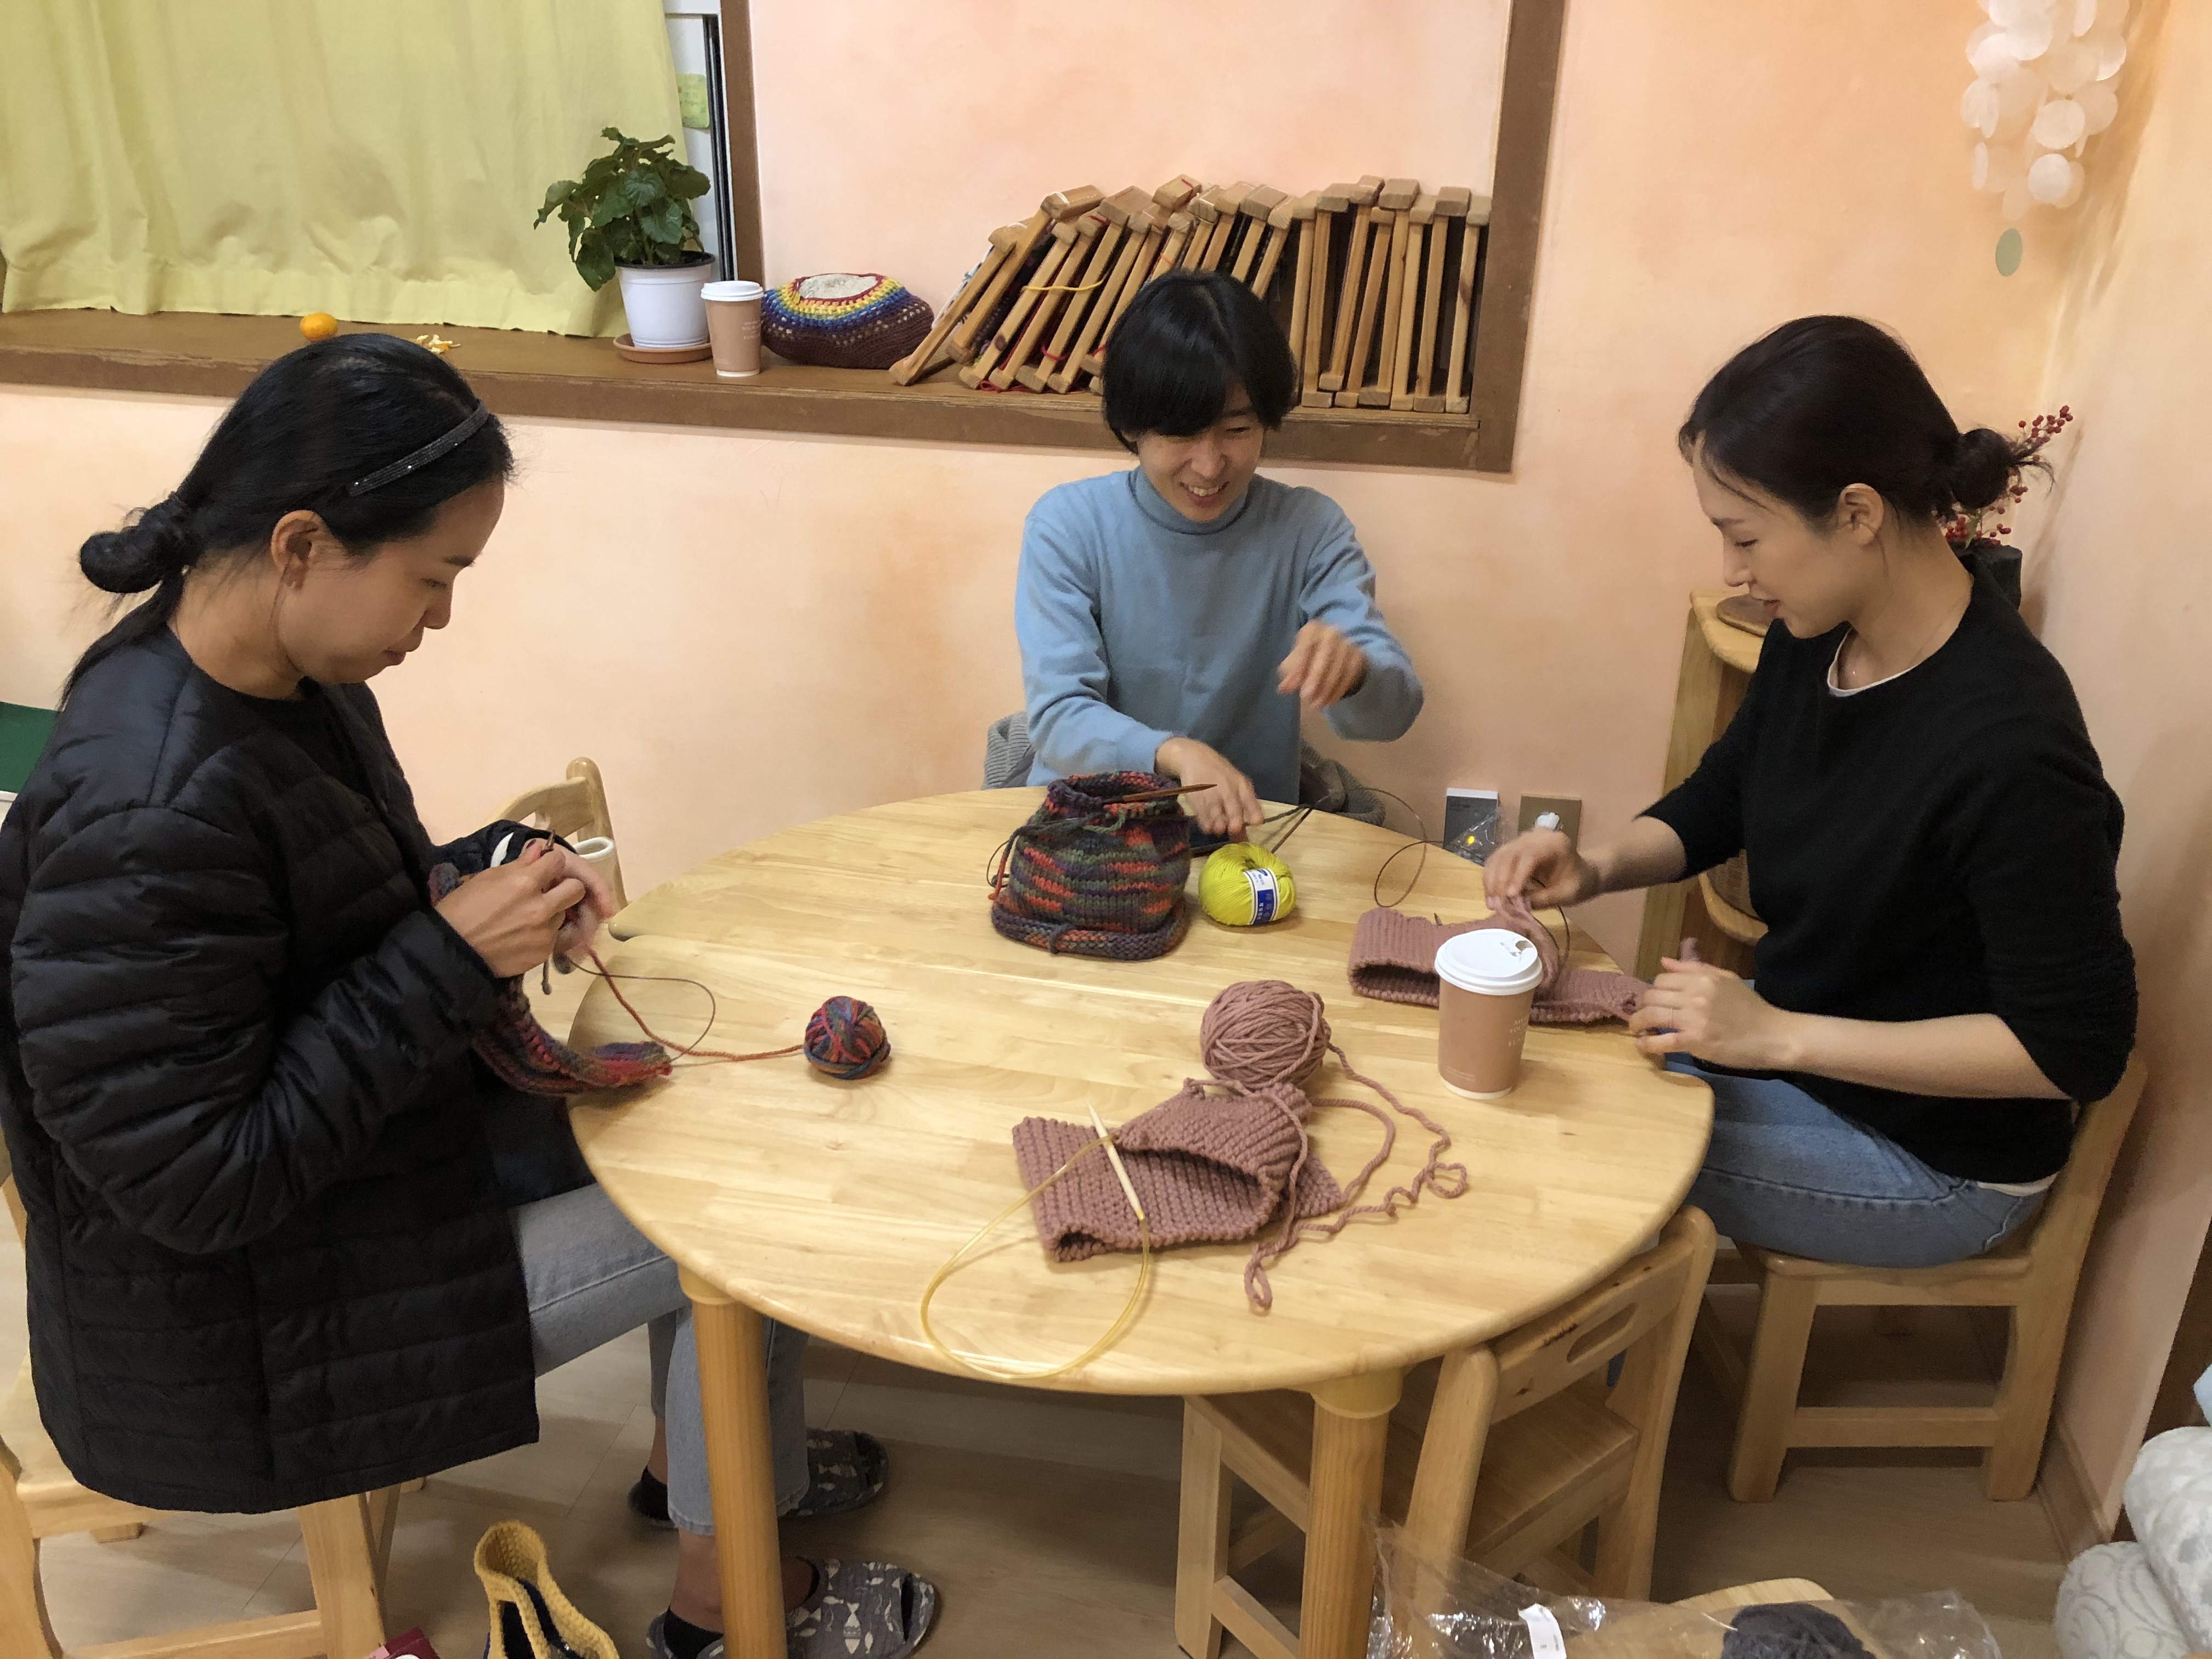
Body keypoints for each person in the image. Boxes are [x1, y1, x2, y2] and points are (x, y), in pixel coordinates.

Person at [0, 336, 934, 1659]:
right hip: (250, 1328)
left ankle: (707, 1471)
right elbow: (200, 1189)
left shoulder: (277, 678)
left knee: (717, 1127)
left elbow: (323, 920)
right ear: (303, 545)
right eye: (434, 577)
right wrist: (444, 957)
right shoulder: (146, 809)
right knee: (743, 1220)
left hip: (374, 1188)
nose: (438, 620)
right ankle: (727, 1606)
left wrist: (491, 875)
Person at [1484, 315, 2136, 1270]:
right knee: (1540, 1063)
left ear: (1858, 513)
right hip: (1807, 1058)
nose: (1731, 571)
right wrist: (1596, 865)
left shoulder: (2010, 744)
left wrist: (1779, 1036)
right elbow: (1725, 795)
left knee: (1583, 1145)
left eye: (1744, 536)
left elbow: (2074, 1050)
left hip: (1937, 1159)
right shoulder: (1817, 634)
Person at [1014, 270, 1423, 842]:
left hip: (1245, 838)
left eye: (1237, 429)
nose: (1209, 467)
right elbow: (1058, 716)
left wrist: (1356, 674)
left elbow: (1393, 715)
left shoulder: (1310, 530)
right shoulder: (1069, 525)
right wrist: (1175, 753)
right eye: (1181, 435)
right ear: (1132, 426)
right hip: (1093, 835)